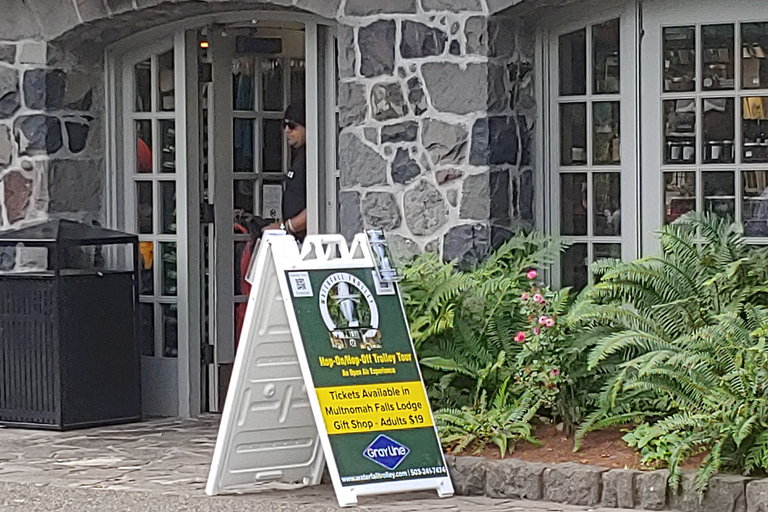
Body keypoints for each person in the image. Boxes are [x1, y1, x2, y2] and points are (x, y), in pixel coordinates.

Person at [263, 101, 307, 240]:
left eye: (293, 126)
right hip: (294, 238)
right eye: (285, 125)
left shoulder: (313, 160)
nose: (287, 130)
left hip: (308, 240)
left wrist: (285, 227)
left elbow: (317, 205)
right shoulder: (300, 156)